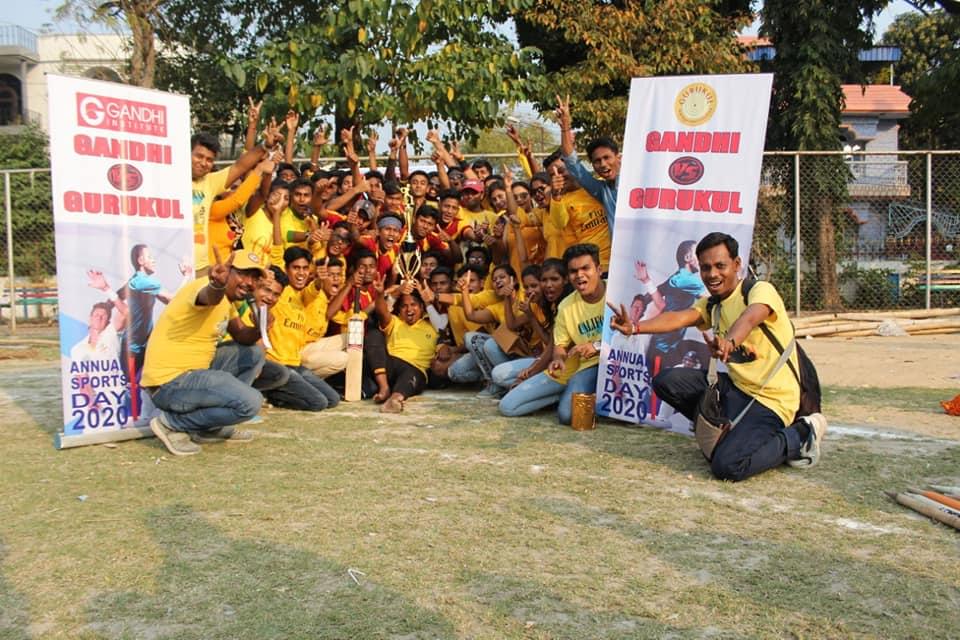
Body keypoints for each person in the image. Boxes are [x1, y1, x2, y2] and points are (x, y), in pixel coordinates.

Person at [609, 232, 827, 481]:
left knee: (728, 466)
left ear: (737, 264)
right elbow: (678, 317)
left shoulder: (758, 291)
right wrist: (635, 327)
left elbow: (751, 317)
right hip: (737, 389)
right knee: (666, 381)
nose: (712, 274)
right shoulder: (712, 304)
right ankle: (719, 430)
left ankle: (800, 433)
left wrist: (730, 341)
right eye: (705, 267)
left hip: (772, 400)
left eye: (720, 266)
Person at [143, 249, 270, 456]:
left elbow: (242, 336)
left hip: (194, 376)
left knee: (252, 354)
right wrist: (217, 284)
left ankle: (208, 426)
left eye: (254, 278)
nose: (249, 282)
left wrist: (259, 327)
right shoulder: (203, 288)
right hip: (170, 383)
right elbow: (208, 297)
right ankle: (173, 424)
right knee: (251, 403)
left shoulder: (227, 303)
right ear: (226, 271)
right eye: (243, 274)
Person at [498, 244, 605, 425]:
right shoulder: (565, 306)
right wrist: (558, 359)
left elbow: (632, 333)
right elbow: (559, 346)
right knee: (507, 407)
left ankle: (576, 395)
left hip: (608, 363)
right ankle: (565, 395)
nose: (579, 275)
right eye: (573, 271)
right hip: (578, 366)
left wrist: (596, 346)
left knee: (567, 416)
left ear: (599, 270)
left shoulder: (617, 292)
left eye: (585, 268)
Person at [261, 247, 341, 412]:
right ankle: (271, 393)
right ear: (286, 269)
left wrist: (319, 280)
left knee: (333, 399)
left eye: (305, 268)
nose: (301, 273)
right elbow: (273, 256)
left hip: (295, 363)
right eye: (296, 268)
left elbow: (312, 290)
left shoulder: (304, 296)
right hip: (276, 364)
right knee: (318, 403)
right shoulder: (279, 291)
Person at [366, 279, 439, 413]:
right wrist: (381, 294)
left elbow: (443, 319)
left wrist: (428, 298)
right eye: (404, 306)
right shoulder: (395, 322)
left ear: (422, 308)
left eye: (413, 305)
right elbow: (382, 312)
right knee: (373, 335)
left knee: (411, 374)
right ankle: (384, 388)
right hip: (388, 365)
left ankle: (394, 400)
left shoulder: (433, 325)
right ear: (399, 310)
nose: (409, 309)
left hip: (416, 369)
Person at [556, 95, 621, 227]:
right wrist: (565, 126)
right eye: (597, 161)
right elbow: (572, 162)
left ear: (618, 157)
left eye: (607, 158)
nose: (603, 164)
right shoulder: (603, 192)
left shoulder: (640, 184)